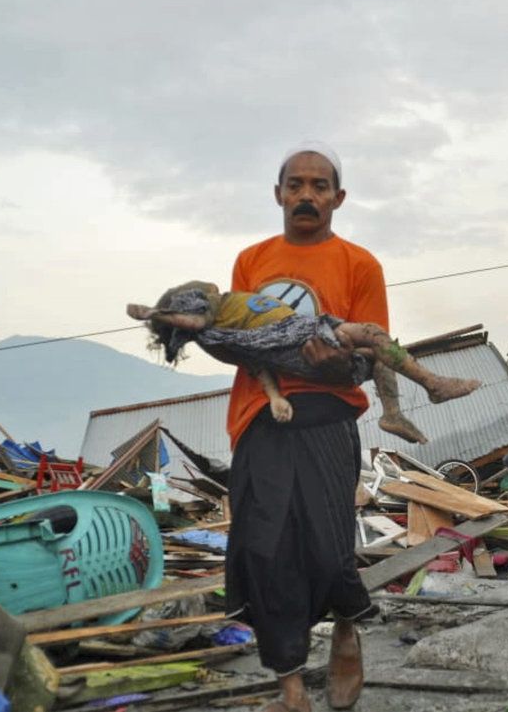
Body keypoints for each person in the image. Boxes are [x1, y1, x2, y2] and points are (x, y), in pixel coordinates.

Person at [219, 141, 388, 712]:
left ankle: (345, 630)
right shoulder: (250, 261)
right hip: (261, 415)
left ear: (338, 199)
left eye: (319, 187)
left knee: (328, 545)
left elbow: (373, 354)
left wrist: (337, 364)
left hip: (328, 414)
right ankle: (291, 688)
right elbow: (239, 338)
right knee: (263, 551)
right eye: (296, 185)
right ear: (278, 195)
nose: (307, 196)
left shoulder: (360, 265)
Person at [126, 281, 480, 444]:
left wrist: (275, 397)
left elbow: (250, 359)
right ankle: (434, 385)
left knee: (378, 354)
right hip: (295, 338)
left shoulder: (225, 310)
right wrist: (157, 314)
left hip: (300, 330)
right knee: (372, 333)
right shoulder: (211, 328)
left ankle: (392, 413)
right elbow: (250, 358)